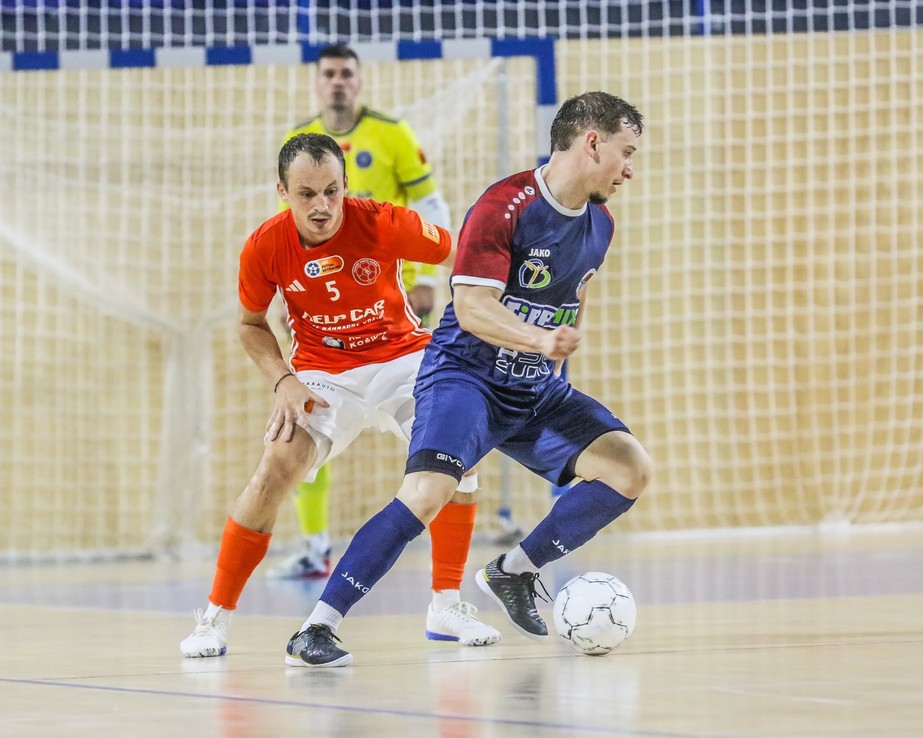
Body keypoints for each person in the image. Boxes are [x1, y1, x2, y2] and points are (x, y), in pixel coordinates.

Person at [285, 92, 653, 668]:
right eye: (626, 152)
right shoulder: (504, 206)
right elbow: (474, 307)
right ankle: (317, 627)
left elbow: (573, 297)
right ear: (592, 142)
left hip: (535, 389)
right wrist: (538, 340)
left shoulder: (600, 225)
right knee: (429, 494)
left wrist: (553, 349)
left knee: (628, 467)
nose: (630, 167)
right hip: (467, 378)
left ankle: (515, 571)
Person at [179, 133, 500, 658]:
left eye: (332, 191)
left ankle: (445, 605)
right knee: (270, 474)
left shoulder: (381, 221)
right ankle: (214, 619)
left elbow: (461, 252)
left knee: (460, 457)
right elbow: (249, 323)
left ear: (346, 185)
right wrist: (284, 380)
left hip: (401, 360)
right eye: (306, 194)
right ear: (282, 192)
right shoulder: (265, 246)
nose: (322, 206)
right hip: (322, 375)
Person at [268, 43, 460, 581]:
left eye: (346, 73)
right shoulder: (298, 141)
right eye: (328, 73)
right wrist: (286, 294)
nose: (337, 82)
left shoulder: (391, 135)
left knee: (439, 426)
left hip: (387, 307)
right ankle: (313, 545)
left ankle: (442, 579)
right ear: (316, 82)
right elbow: (285, 228)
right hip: (321, 311)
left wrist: (426, 280)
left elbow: (431, 210)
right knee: (303, 419)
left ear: (359, 81)